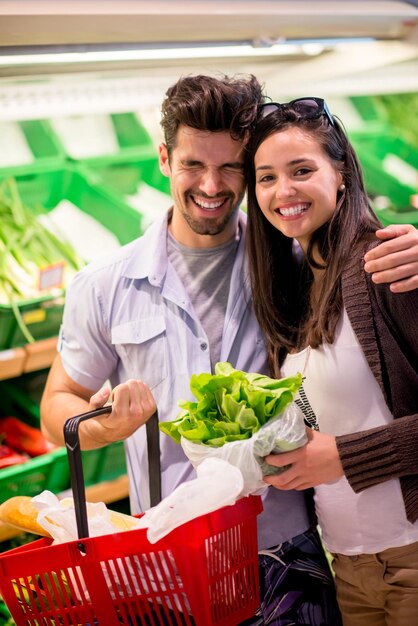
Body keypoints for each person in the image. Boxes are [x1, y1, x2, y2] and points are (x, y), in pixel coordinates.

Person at [40, 76, 418, 625]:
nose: (211, 185)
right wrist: (100, 428)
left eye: (232, 168)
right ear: (165, 159)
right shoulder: (104, 283)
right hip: (167, 559)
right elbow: (60, 402)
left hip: (291, 551)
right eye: (194, 165)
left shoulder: (295, 262)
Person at [244, 96, 418, 625]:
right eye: (266, 177)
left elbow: (340, 446)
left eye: (302, 170)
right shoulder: (293, 284)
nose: (283, 192)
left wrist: (345, 456)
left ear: (340, 175)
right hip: (348, 565)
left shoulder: (388, 265)